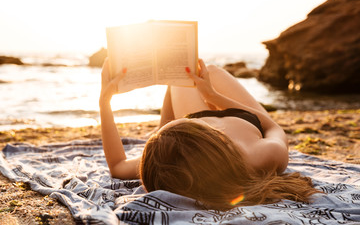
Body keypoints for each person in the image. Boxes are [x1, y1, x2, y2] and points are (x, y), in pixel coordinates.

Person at [99, 58, 320, 210]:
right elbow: (273, 127)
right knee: (210, 71)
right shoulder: (259, 156)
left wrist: (104, 102)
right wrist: (213, 96)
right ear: (209, 138)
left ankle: (174, 120)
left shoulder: (167, 165)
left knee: (181, 77)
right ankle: (186, 109)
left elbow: (118, 165)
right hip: (243, 117)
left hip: (193, 121)